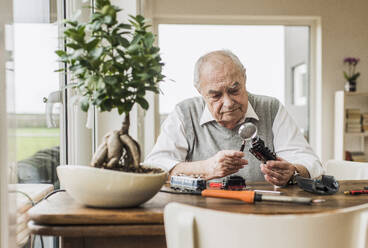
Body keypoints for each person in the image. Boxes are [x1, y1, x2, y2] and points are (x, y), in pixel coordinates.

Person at [145, 50, 324, 186]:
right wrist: (206, 169)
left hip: (264, 213)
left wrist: (293, 171)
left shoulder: (271, 108)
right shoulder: (184, 113)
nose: (229, 103)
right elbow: (155, 167)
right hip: (202, 214)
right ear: (199, 90)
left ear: (244, 77)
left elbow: (311, 164)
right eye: (215, 95)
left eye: (234, 90)